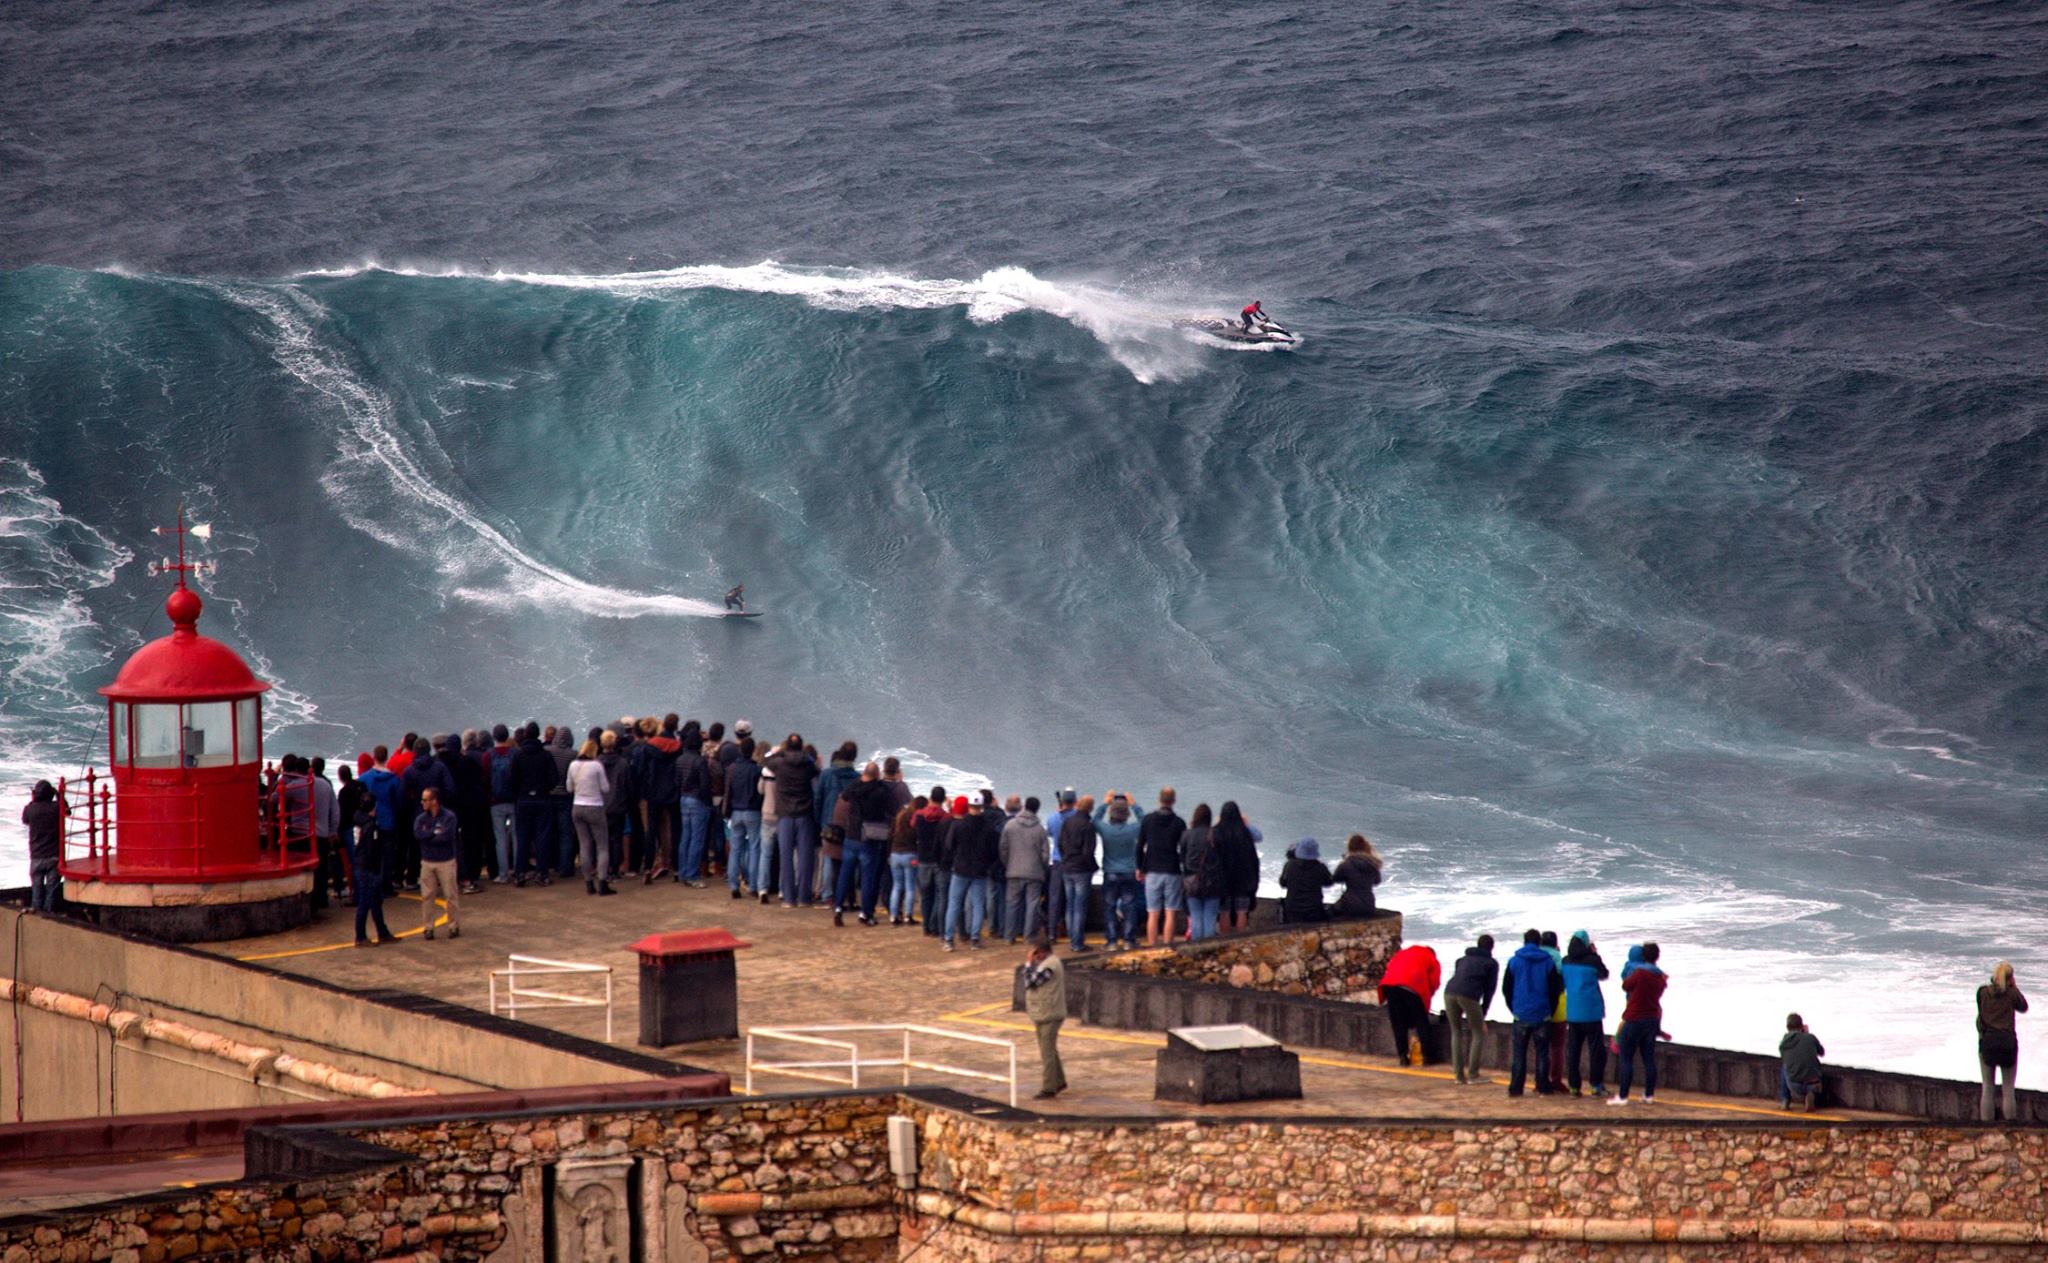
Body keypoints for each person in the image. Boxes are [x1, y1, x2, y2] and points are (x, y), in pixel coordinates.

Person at [1503, 929, 1563, 1098]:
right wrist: (1550, 1010)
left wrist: (1514, 1008)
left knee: (1519, 1053)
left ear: (1524, 941)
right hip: (1542, 1013)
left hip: (1521, 1014)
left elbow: (1506, 989)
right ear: (1539, 943)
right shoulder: (1548, 962)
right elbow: (1555, 989)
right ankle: (1543, 1086)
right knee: (1542, 1053)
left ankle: (1516, 1088)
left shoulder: (1514, 961)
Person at [763, 735, 820, 907]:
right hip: (804, 814)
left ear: (787, 746)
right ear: (801, 747)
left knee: (786, 857)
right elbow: (817, 768)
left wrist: (778, 751)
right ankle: (804, 897)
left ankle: (788, 898)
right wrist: (806, 755)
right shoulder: (808, 764)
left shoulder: (779, 763)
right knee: (805, 858)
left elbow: (765, 760)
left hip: (785, 815)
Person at [835, 762, 894, 926]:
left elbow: (845, 796)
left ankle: (838, 907)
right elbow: (887, 802)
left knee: (845, 874)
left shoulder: (854, 789)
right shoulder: (879, 790)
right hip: (869, 838)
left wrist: (860, 781)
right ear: (877, 775)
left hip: (851, 836)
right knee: (868, 877)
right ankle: (866, 913)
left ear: (864, 774)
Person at [1610, 942, 1667, 1105]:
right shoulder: (1660, 976)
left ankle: (1623, 1096)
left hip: (1635, 1018)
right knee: (1649, 1058)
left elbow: (1625, 985)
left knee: (1626, 1058)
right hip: (1652, 1018)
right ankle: (1649, 1095)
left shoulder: (1640, 973)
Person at [945, 793, 999, 951]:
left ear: (969, 806)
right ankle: (975, 939)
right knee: (977, 905)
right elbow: (994, 850)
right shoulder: (989, 827)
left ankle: (948, 940)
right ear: (982, 807)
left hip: (961, 869)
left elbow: (949, 845)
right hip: (980, 871)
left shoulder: (958, 825)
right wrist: (987, 864)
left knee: (954, 904)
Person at [1442, 934, 1498, 1084]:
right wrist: (1483, 1014)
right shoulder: (1491, 963)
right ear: (1491, 947)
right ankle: (1473, 1075)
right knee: (1477, 1033)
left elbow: (1459, 977)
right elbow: (1489, 991)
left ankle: (1459, 1076)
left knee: (1456, 1032)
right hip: (1468, 996)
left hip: (1449, 992)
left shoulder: (1462, 960)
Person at [1560, 930, 1610, 1098]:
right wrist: (1594, 954)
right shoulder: (1592, 960)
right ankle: (1596, 1086)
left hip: (1573, 1012)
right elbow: (1604, 975)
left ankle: (1574, 1087)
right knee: (1596, 1050)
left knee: (1573, 1050)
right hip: (1591, 1011)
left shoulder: (1565, 961)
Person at [1977, 961, 2029, 1121]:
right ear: (2010, 978)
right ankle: (2010, 1126)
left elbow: (1981, 1016)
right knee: (2008, 1089)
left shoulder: (1982, 992)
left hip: (1988, 1042)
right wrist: (2014, 987)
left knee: (1987, 1087)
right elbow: (2024, 1007)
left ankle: (1986, 1127)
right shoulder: (2012, 995)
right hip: (2007, 1043)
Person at [1092, 792, 1143, 951]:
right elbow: (1144, 820)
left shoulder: (1106, 830)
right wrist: (1133, 804)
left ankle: (1112, 941)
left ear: (1112, 814)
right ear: (1127, 815)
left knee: (1109, 907)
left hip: (1110, 872)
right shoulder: (1133, 829)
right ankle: (1129, 940)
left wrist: (1105, 803)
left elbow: (1094, 820)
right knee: (1129, 906)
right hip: (1129, 871)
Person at [349, 775, 395, 947]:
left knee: (375, 902)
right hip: (369, 868)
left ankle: (382, 932)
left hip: (361, 865)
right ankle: (360, 936)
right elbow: (372, 850)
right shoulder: (371, 826)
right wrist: (376, 869)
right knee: (366, 903)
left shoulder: (358, 819)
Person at [511, 724, 560, 885]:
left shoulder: (518, 755)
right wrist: (544, 789)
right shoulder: (545, 755)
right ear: (539, 735)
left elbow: (511, 779)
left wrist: (520, 792)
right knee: (542, 837)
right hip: (542, 798)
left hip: (523, 799)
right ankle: (542, 873)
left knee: (523, 837)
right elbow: (554, 779)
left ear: (525, 735)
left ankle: (520, 873)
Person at [1378, 942, 1441, 1065]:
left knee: (1398, 1024)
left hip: (1390, 987)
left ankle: (1403, 1057)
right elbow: (1434, 983)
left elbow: (1390, 968)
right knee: (1421, 1022)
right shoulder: (1431, 958)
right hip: (1411, 988)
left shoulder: (1402, 953)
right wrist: (1426, 999)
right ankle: (1427, 1057)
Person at [565, 739, 615, 896]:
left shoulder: (573, 765)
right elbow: (605, 788)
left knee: (584, 845)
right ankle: (602, 882)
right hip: (595, 807)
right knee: (602, 846)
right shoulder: (596, 766)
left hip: (577, 807)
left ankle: (588, 883)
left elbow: (569, 787)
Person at [1137, 788, 1186, 946]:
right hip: (1172, 870)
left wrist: (1139, 867)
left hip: (1152, 870)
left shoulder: (1148, 820)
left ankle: (1152, 947)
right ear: (1173, 801)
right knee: (1170, 913)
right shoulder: (1179, 823)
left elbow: (1139, 846)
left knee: (1153, 913)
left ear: (1159, 800)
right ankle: (1167, 947)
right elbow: (1184, 849)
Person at [1022, 936, 1068, 1099]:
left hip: (1050, 1013)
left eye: (1036, 953)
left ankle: (1049, 1087)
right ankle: (1059, 1081)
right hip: (1044, 1012)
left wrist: (1028, 963)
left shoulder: (1050, 966)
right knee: (1049, 1049)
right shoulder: (1047, 964)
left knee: (1046, 1052)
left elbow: (1030, 981)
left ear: (1041, 952)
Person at [1001, 795, 1050, 943]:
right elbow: (1045, 855)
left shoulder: (1010, 826)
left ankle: (1009, 936)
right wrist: (1042, 868)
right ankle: (1028, 937)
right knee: (1032, 905)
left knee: (1012, 904)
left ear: (1024, 806)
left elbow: (1003, 849)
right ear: (1037, 810)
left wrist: (1008, 864)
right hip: (1034, 873)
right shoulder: (1040, 829)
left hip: (1013, 870)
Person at [413, 787, 461, 941]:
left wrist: (429, 835)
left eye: (426, 800)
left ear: (435, 801)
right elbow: (418, 834)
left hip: (446, 861)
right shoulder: (421, 818)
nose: (423, 803)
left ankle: (453, 925)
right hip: (427, 861)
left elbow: (446, 837)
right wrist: (433, 832)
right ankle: (428, 927)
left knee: (450, 895)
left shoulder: (449, 817)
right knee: (427, 896)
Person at [1057, 796, 1099, 952]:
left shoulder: (1067, 822)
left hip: (1067, 867)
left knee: (1070, 905)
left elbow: (1060, 844)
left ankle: (1072, 939)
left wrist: (1066, 860)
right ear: (1090, 808)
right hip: (1081, 870)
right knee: (1080, 907)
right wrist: (1093, 867)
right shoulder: (1087, 825)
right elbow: (1089, 851)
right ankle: (1077, 942)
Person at [1213, 802, 1262, 933]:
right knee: (1242, 912)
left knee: (1224, 912)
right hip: (1243, 879)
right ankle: (1240, 942)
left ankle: (1224, 941)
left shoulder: (1217, 832)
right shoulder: (1245, 833)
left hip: (1223, 879)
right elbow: (1253, 857)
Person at [724, 736, 764, 900]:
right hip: (753, 811)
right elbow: (760, 793)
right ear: (753, 751)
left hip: (736, 811)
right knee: (754, 849)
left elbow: (729, 791)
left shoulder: (732, 768)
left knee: (735, 849)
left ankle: (734, 885)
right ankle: (753, 885)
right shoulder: (757, 769)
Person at [23, 780, 65, 913]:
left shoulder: (30, 809)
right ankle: (49, 914)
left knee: (37, 887)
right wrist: (59, 795)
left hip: (36, 856)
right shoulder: (56, 807)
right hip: (53, 856)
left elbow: (25, 820)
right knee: (52, 889)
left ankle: (37, 911)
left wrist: (33, 800)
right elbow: (67, 811)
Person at [484, 724, 519, 883]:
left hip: (495, 801)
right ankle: (519, 872)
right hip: (514, 799)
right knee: (517, 836)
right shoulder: (516, 754)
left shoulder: (488, 756)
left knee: (500, 839)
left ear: (494, 737)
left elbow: (485, 779)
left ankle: (503, 874)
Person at [915, 789, 951, 934]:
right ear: (943, 800)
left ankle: (926, 927)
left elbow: (912, 826)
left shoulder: (919, 816)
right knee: (939, 894)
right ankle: (935, 925)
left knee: (925, 894)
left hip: (923, 858)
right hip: (938, 859)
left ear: (930, 798)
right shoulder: (945, 818)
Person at [888, 795, 925, 926]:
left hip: (895, 854)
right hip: (910, 854)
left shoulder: (899, 816)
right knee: (910, 887)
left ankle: (893, 916)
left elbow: (890, 835)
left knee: (896, 886)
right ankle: (908, 916)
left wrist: (889, 854)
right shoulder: (917, 819)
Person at [1278, 838, 1334, 923]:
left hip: (1293, 910)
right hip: (1314, 910)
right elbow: (1329, 882)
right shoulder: (1320, 867)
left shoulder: (1289, 865)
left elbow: (1283, 883)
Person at [1779, 1013, 1825, 1112]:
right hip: (1814, 1083)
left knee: (1784, 1067)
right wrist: (1807, 1034)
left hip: (1794, 1085)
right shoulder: (1810, 1037)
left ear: (1787, 1027)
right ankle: (1810, 1094)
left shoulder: (1783, 1044)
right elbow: (1822, 1052)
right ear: (1802, 1025)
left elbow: (1785, 1058)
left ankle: (1785, 1100)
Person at [1331, 835, 1382, 919]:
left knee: (1330, 912)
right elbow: (1377, 881)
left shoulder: (1346, 864)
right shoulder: (1373, 864)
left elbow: (1335, 879)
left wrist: (1345, 862)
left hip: (1349, 905)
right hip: (1369, 905)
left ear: (1350, 848)